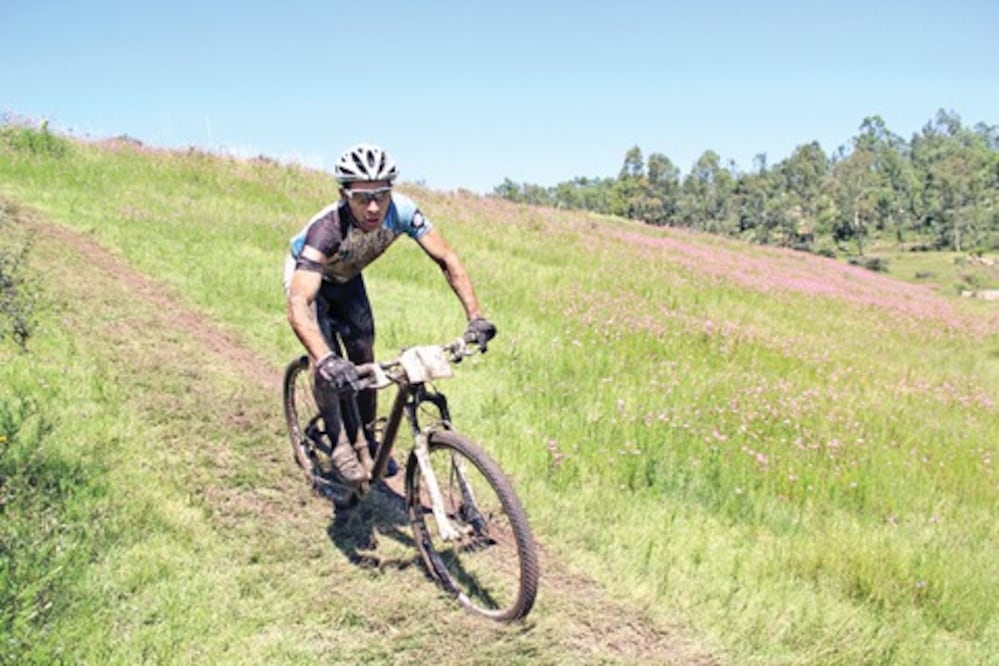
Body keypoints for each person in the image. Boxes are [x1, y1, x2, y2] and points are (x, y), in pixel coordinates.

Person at [284, 143, 496, 483]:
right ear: (343, 195)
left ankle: (368, 439)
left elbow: (446, 259)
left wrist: (476, 317)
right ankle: (340, 444)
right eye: (362, 198)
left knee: (364, 354)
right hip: (309, 281)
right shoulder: (326, 230)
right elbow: (298, 303)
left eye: (381, 196)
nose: (373, 207)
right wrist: (324, 359)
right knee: (327, 361)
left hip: (347, 277)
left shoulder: (403, 212)